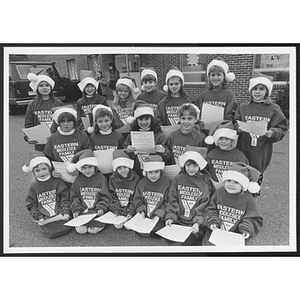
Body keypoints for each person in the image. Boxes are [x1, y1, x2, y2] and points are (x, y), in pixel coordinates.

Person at [234, 74, 288, 188]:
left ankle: (252, 201)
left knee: (254, 184)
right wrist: (237, 128)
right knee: (239, 181)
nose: (257, 92)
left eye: (261, 89)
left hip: (261, 151)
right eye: (255, 88)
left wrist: (272, 132)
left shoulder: (274, 109)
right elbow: (235, 122)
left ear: (267, 91)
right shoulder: (243, 107)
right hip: (243, 148)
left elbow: (281, 128)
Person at [202, 162, 263, 246]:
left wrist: (246, 229)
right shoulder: (219, 193)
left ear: (243, 185)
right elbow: (210, 209)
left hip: (235, 236)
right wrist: (212, 221)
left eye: (236, 182)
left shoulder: (248, 199)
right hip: (215, 233)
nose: (231, 184)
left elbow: (253, 218)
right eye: (228, 180)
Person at [165, 146, 215, 245]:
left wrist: (197, 222)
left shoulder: (204, 183)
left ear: (200, 166)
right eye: (188, 165)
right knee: (167, 239)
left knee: (188, 243)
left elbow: (204, 205)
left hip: (194, 223)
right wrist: (171, 216)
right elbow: (172, 199)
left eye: (195, 166)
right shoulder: (178, 179)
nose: (191, 169)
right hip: (179, 220)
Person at [23, 150, 72, 239]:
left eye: (44, 169)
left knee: (66, 226)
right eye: (37, 170)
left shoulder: (57, 182)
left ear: (49, 168)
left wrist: (66, 212)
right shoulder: (33, 186)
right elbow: (31, 204)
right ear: (33, 172)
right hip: (45, 216)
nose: (42, 173)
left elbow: (65, 197)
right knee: (49, 232)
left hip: (59, 212)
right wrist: (39, 217)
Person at [67, 149, 112, 234]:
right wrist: (76, 210)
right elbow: (74, 196)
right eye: (84, 167)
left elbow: (105, 196)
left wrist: (101, 208)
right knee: (81, 230)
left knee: (93, 230)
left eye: (90, 167)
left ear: (95, 166)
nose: (87, 171)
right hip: (83, 211)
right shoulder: (78, 180)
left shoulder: (101, 179)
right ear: (80, 168)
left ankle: (99, 222)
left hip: (96, 211)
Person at [124, 104, 171, 177]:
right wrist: (128, 151)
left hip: (154, 174)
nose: (143, 122)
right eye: (140, 119)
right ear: (136, 120)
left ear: (151, 120)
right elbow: (125, 156)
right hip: (136, 173)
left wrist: (164, 151)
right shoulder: (130, 137)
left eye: (146, 119)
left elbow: (167, 158)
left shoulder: (159, 136)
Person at [195, 58, 237, 133]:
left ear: (224, 76)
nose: (215, 78)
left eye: (219, 74)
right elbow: (197, 112)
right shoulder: (204, 95)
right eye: (213, 75)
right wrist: (198, 121)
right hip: (205, 132)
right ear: (209, 77)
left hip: (222, 133)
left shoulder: (229, 95)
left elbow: (231, 115)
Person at [24, 72, 64, 151]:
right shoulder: (32, 105)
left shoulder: (58, 103)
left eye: (47, 85)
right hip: (40, 144)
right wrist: (28, 137)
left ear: (51, 87)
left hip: (58, 142)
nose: (44, 88)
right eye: (41, 85)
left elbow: (65, 120)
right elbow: (28, 125)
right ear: (37, 88)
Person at [204, 120, 249, 189]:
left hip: (231, 189)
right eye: (220, 138)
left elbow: (244, 176)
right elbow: (206, 172)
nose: (223, 141)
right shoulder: (211, 154)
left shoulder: (240, 157)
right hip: (212, 188)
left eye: (227, 139)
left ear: (232, 140)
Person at [133, 155, 171, 237]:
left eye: (156, 172)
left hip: (159, 216)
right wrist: (142, 211)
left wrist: (159, 215)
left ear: (161, 171)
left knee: (157, 232)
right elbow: (138, 199)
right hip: (145, 216)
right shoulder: (142, 183)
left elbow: (167, 202)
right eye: (150, 172)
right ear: (145, 172)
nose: (153, 175)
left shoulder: (166, 183)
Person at [108, 150, 140, 229]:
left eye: (125, 167)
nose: (122, 170)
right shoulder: (112, 179)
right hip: (118, 209)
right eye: (119, 168)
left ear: (129, 166)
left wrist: (131, 212)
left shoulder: (136, 178)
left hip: (131, 208)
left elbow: (136, 198)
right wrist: (116, 210)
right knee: (118, 226)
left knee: (128, 227)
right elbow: (112, 197)